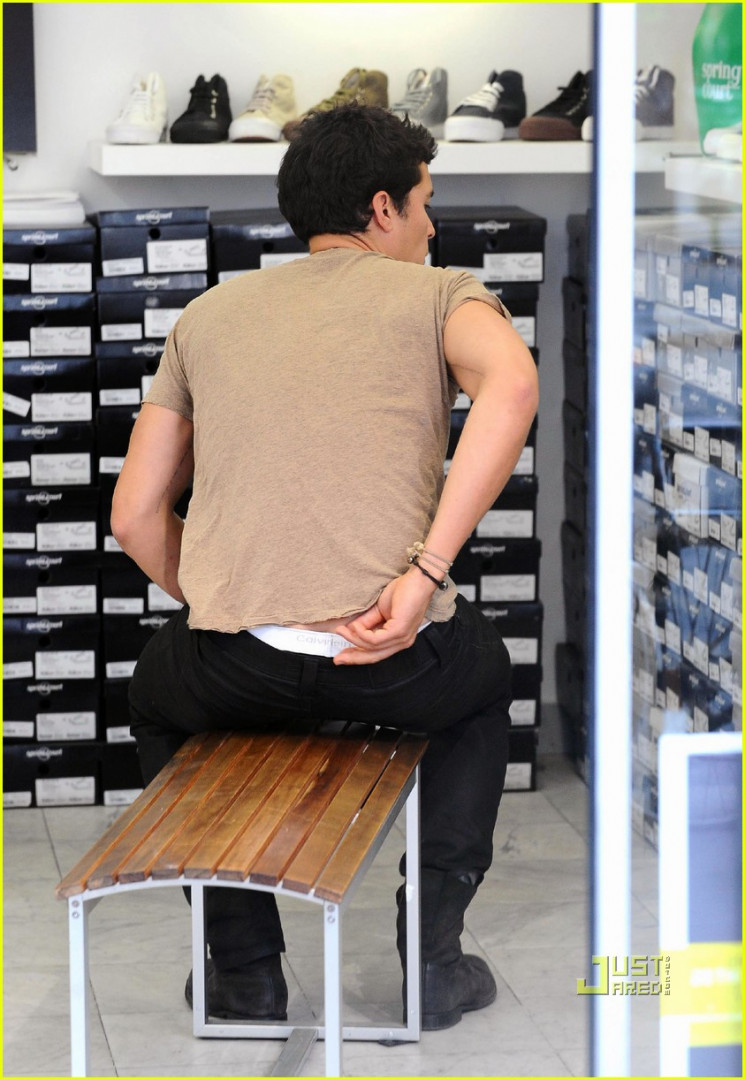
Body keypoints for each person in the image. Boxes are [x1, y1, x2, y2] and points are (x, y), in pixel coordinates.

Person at [113, 103, 538, 1033]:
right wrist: (424, 573)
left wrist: (225, 597)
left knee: (154, 696)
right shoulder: (440, 295)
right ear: (383, 207)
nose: (433, 226)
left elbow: (134, 516)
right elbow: (511, 385)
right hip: (397, 657)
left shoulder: (207, 315)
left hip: (236, 664)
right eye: (426, 202)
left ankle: (244, 974)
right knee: (480, 689)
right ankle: (431, 965)